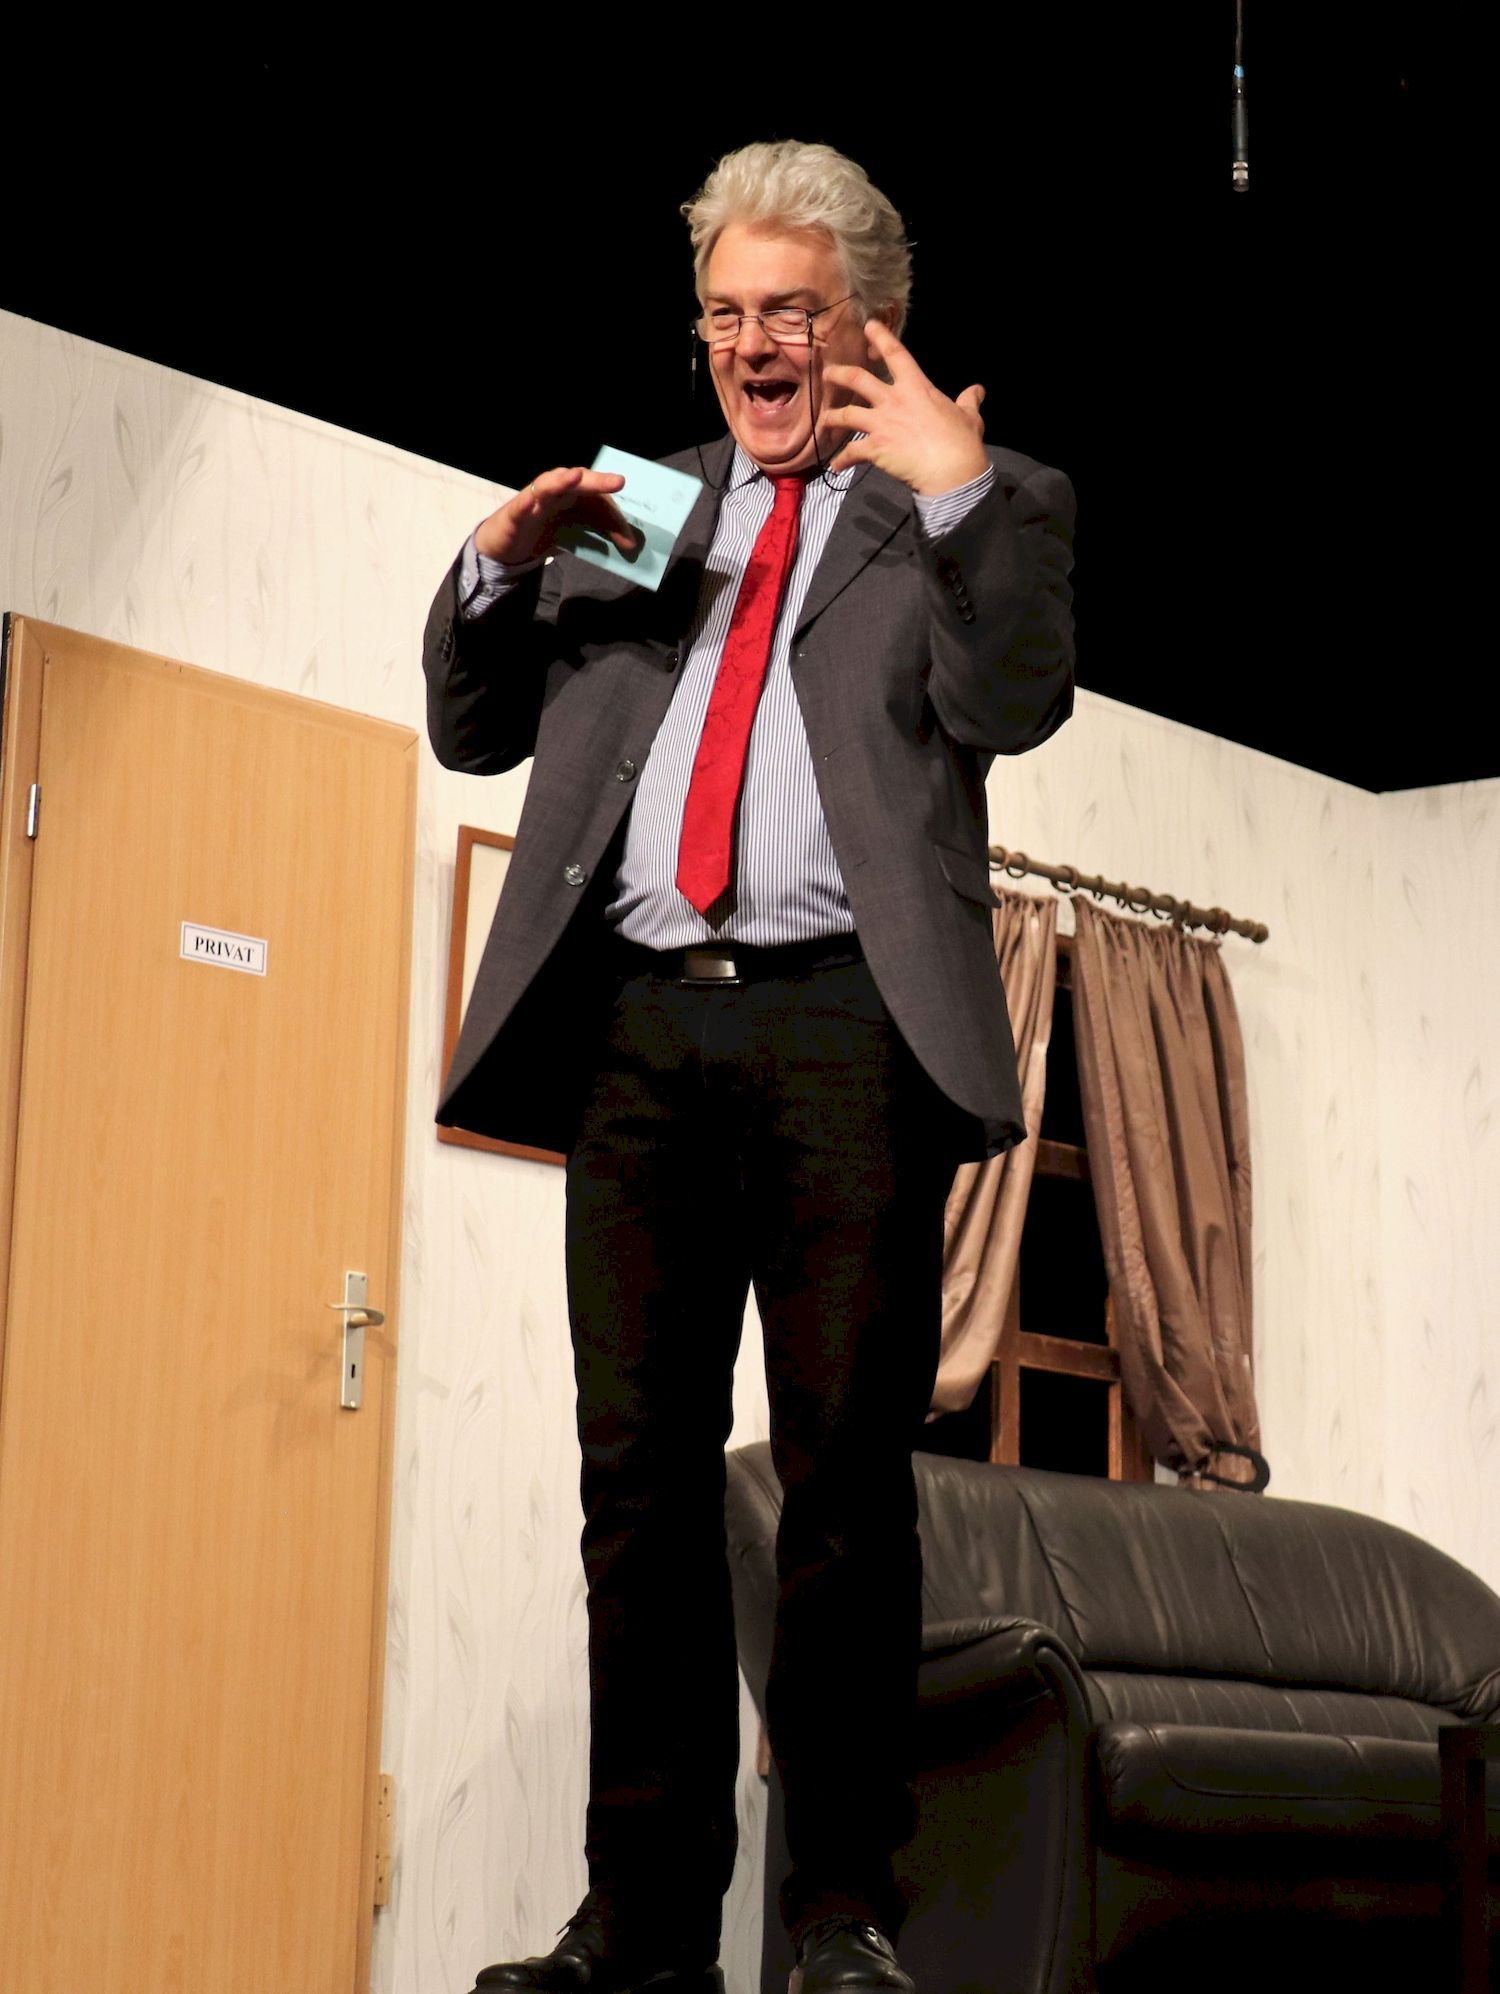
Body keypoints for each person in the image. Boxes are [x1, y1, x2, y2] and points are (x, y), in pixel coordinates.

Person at [423, 138, 1076, 1994]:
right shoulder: (636, 505)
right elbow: (475, 726)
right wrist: (493, 563)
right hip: (639, 1025)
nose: (752, 345)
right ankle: (640, 1921)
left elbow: (1014, 696)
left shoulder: (978, 494)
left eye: (789, 311)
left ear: (870, 320)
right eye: (723, 314)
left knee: (844, 1487)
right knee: (632, 1485)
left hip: (840, 1024)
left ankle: (840, 1914)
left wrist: (956, 495)